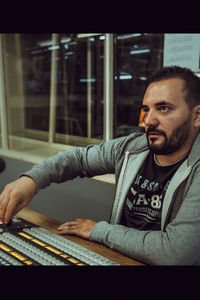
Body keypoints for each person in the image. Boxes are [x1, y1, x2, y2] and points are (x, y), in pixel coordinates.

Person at [0, 65, 200, 265]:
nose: (149, 120)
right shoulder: (132, 147)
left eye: (163, 108)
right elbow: (77, 159)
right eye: (146, 109)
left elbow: (175, 252)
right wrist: (31, 180)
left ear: (197, 116)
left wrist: (98, 231)